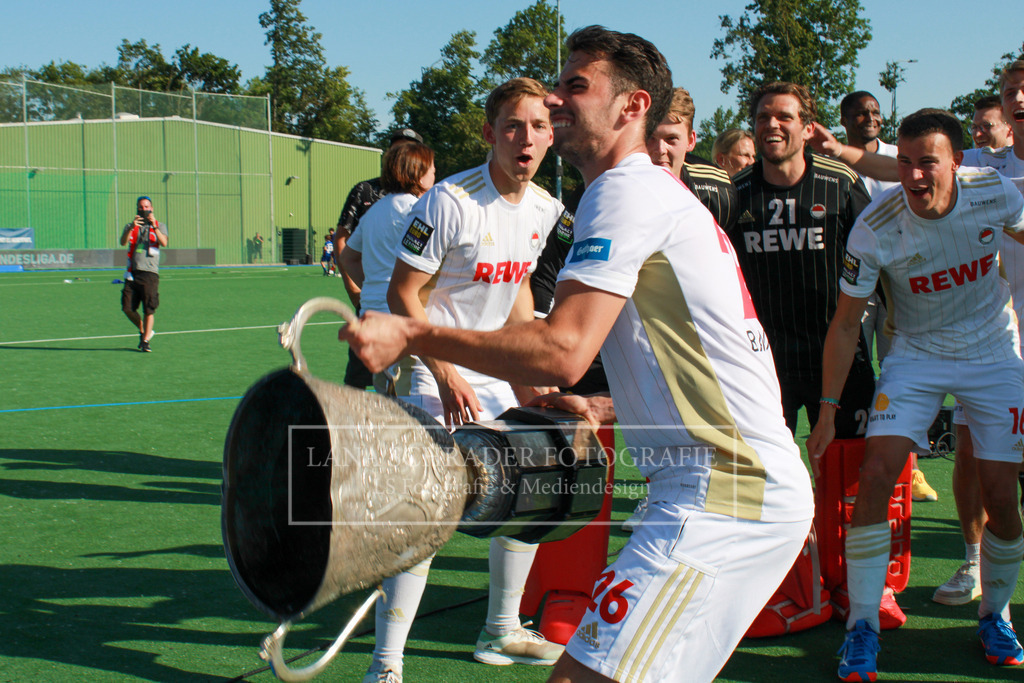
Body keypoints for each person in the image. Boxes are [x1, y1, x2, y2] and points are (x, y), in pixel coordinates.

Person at [342, 26, 814, 683]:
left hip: (722, 497)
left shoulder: (625, 191)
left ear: (633, 106)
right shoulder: (624, 195)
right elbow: (699, 357)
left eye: (576, 86)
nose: (557, 101)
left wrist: (413, 334)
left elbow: (563, 347)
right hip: (720, 489)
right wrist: (602, 400)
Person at [806, 108, 1024, 681]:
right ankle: (861, 627)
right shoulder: (876, 225)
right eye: (903, 162)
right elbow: (847, 323)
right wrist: (827, 411)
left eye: (927, 162)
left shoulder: (994, 193)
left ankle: (995, 615)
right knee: (876, 472)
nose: (914, 176)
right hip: (916, 354)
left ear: (957, 160)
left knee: (1002, 496)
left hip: (994, 354)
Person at [360, 78, 564, 683]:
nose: (525, 139)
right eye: (512, 126)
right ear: (489, 133)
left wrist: (529, 373)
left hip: (494, 369)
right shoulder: (447, 201)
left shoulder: (546, 208)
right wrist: (445, 373)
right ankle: (386, 665)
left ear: (551, 137)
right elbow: (403, 292)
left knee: (534, 490)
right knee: (427, 514)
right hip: (428, 364)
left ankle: (500, 630)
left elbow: (520, 287)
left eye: (537, 127)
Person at [731, 82, 875, 443]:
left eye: (784, 116)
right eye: (763, 117)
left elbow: (880, 257)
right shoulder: (734, 193)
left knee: (846, 477)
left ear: (808, 129)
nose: (772, 124)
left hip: (838, 355)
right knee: (762, 478)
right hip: (762, 360)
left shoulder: (840, 184)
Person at [838, 90, 938, 502]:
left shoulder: (900, 157)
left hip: (901, 283)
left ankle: (909, 470)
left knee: (901, 372)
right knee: (861, 375)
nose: (870, 118)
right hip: (858, 282)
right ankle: (855, 465)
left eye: (876, 112)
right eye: (861, 113)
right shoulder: (833, 161)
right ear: (844, 119)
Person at [339, 140, 435, 393]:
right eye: (431, 168)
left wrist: (372, 287)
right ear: (418, 172)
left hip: (371, 319)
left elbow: (348, 256)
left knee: (386, 401)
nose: (435, 173)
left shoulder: (374, 211)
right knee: (411, 408)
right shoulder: (418, 212)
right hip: (401, 321)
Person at [119, 196, 167, 353]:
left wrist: (155, 226)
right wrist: (131, 227)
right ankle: (143, 330)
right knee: (127, 307)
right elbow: (123, 242)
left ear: (151, 208)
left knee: (148, 309)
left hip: (150, 273)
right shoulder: (131, 225)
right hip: (132, 273)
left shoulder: (160, 225)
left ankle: (145, 341)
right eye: (141, 207)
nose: (144, 209)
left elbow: (164, 242)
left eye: (147, 207)